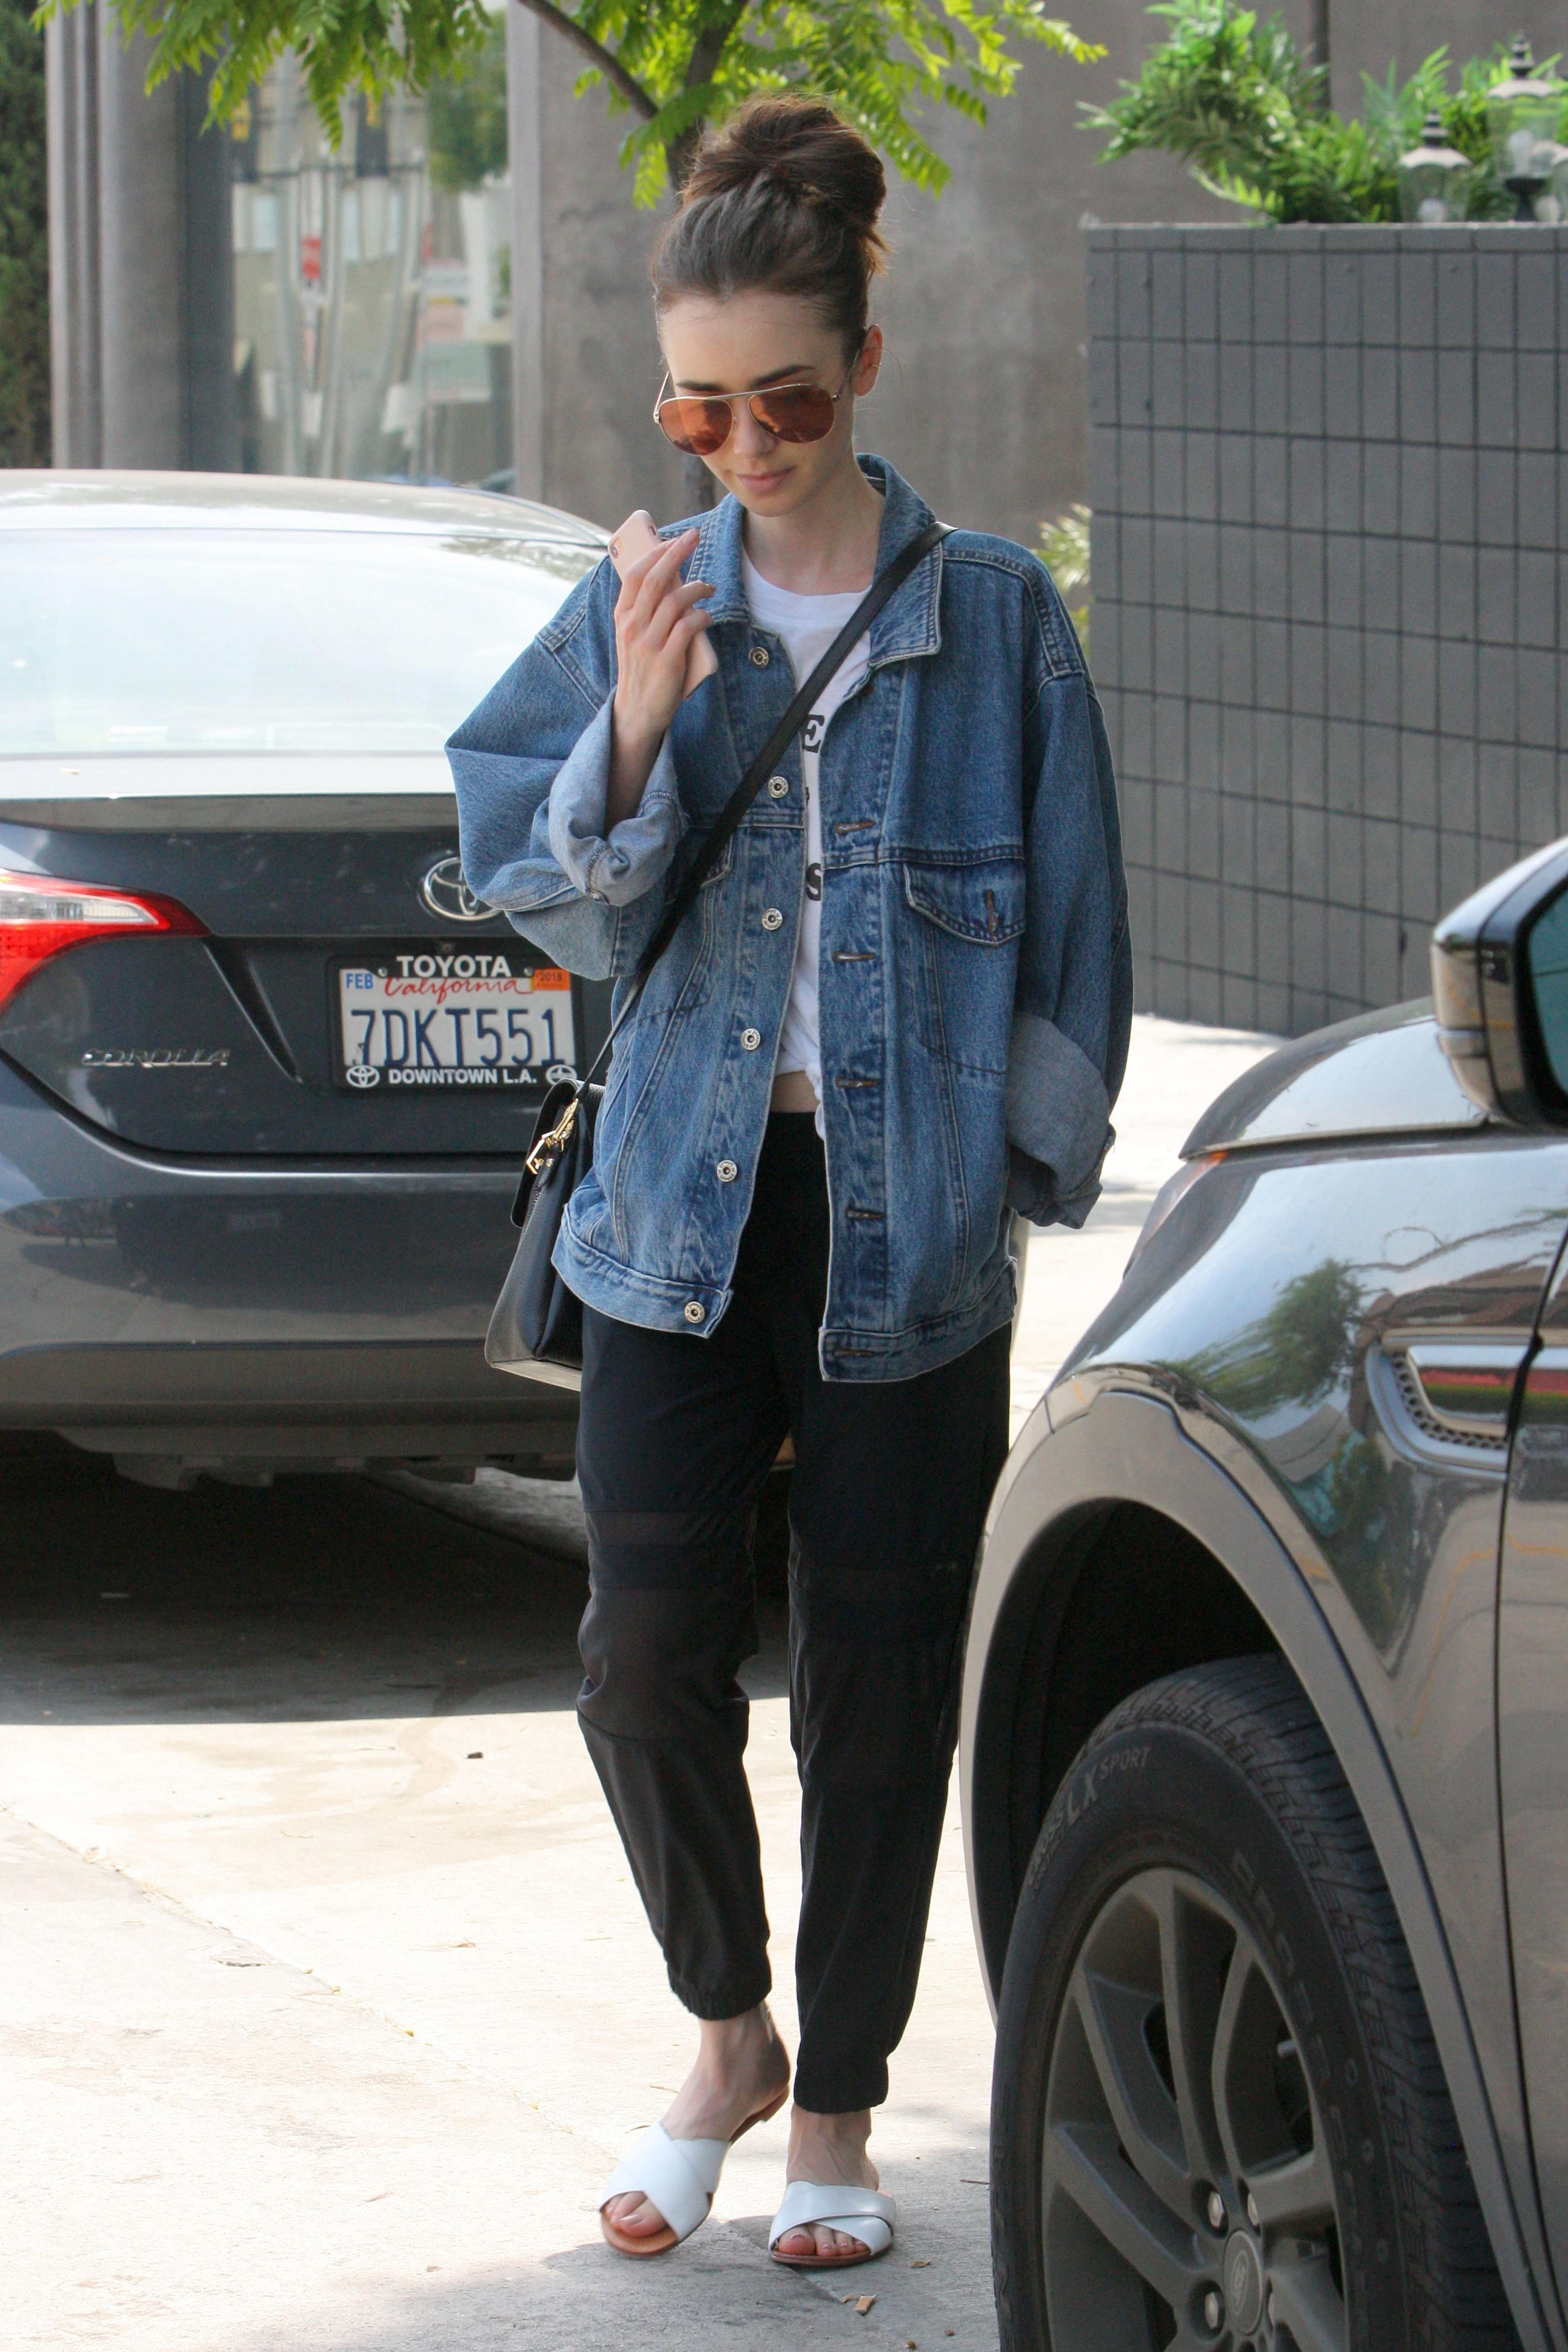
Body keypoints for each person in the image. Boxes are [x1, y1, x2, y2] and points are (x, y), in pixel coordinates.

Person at [447, 93, 1130, 2271]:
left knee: (879, 1685)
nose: (742, 444)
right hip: (678, 1210)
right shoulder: (641, 602)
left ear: (864, 366)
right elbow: (541, 896)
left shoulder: (994, 618)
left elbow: (1078, 939)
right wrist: (638, 724)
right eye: (697, 407)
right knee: (641, 1659)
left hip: (902, 1229)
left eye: (787, 399)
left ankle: (837, 2100)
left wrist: (1006, 1192)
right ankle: (727, 2031)